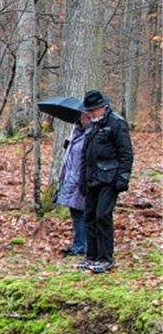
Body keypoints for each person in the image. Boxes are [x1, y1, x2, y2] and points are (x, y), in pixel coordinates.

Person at [78, 90, 134, 274]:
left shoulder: (116, 123)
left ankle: (105, 258)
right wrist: (83, 180)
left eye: (94, 110)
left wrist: (123, 178)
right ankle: (91, 256)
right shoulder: (91, 126)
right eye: (89, 111)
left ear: (103, 107)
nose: (91, 114)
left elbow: (126, 153)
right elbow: (86, 154)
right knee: (90, 216)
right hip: (92, 178)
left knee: (103, 216)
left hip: (109, 179)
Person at [55, 113, 90, 258]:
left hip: (81, 179)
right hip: (72, 177)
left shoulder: (91, 134)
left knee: (81, 213)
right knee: (76, 213)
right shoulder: (78, 133)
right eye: (81, 117)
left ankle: (82, 246)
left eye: (84, 117)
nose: (81, 120)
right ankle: (79, 244)